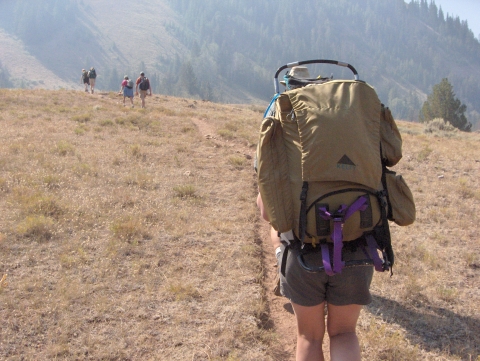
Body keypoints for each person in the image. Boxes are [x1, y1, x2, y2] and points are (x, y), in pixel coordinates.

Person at [257, 191, 372, 361]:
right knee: (344, 333)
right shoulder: (366, 161)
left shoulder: (279, 161)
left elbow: (267, 214)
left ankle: (280, 256)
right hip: (355, 252)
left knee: (309, 337)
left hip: (303, 254)